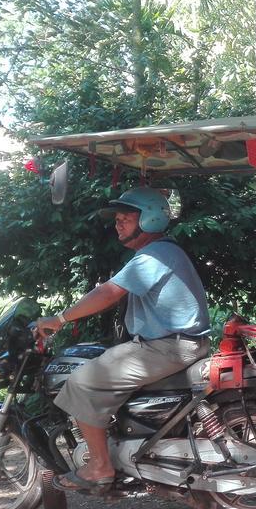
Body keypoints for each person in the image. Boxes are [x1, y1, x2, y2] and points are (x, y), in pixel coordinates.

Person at [35, 187, 210, 493]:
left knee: (81, 383)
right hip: (173, 344)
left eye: (126, 218)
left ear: (151, 220)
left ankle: (100, 466)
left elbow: (108, 292)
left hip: (168, 346)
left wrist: (59, 320)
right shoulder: (160, 253)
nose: (119, 224)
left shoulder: (156, 255)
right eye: (117, 219)